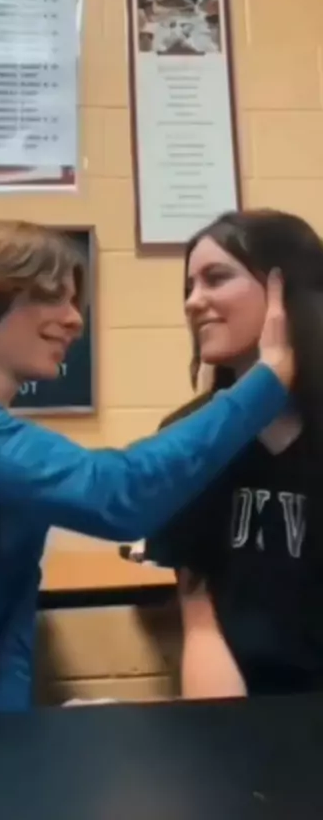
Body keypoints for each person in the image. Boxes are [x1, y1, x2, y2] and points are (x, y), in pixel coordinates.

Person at [0, 219, 292, 717]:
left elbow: (7, 633)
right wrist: (269, 378)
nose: (75, 320)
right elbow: (116, 496)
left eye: (75, 302)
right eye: (52, 296)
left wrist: (3, 740)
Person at [145, 208, 323, 699]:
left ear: (284, 289)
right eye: (189, 286)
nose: (193, 302)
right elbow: (200, 614)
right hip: (242, 700)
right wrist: (225, 729)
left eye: (216, 278)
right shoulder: (189, 437)